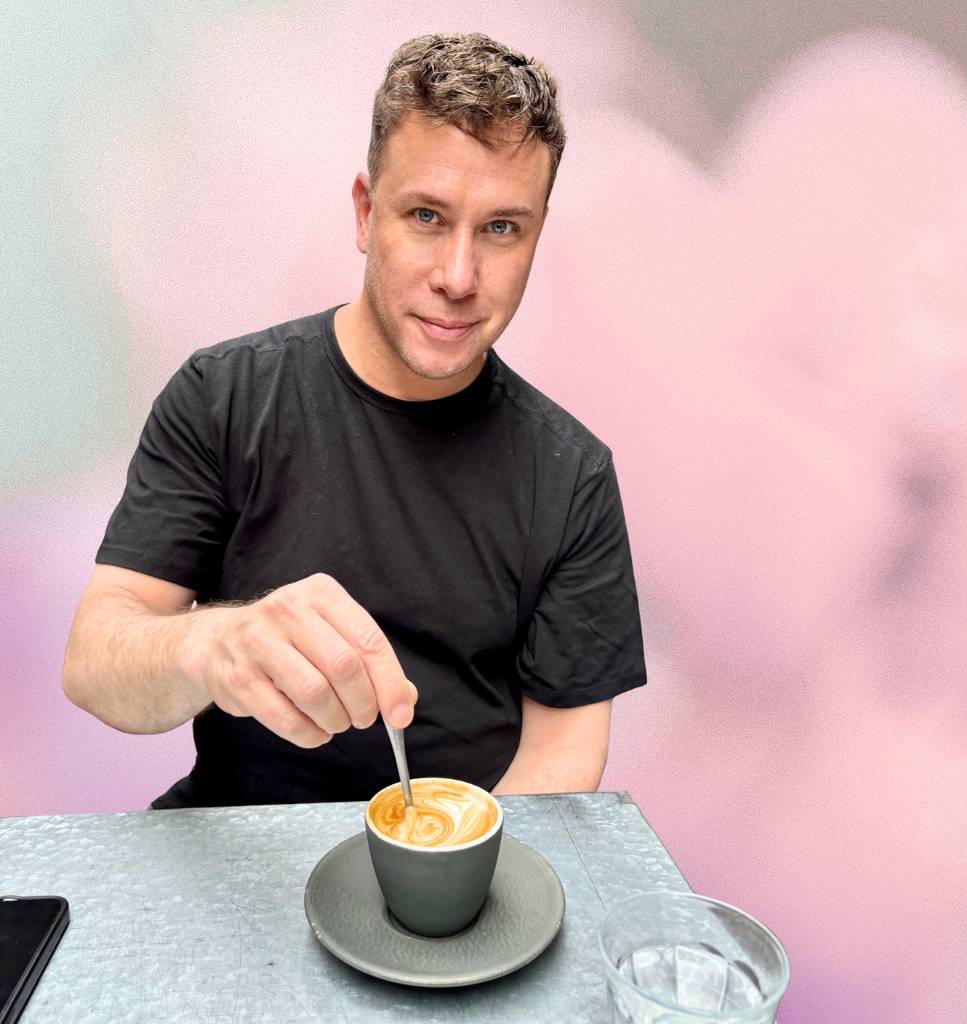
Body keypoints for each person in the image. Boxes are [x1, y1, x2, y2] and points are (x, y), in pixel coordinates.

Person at [62, 32, 646, 809]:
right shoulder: (224, 395)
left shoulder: (571, 474)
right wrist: (212, 643)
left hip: (465, 867)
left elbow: (565, 743)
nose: (459, 277)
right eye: (427, 217)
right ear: (368, 215)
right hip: (239, 856)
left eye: (502, 228)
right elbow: (96, 664)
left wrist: (445, 872)